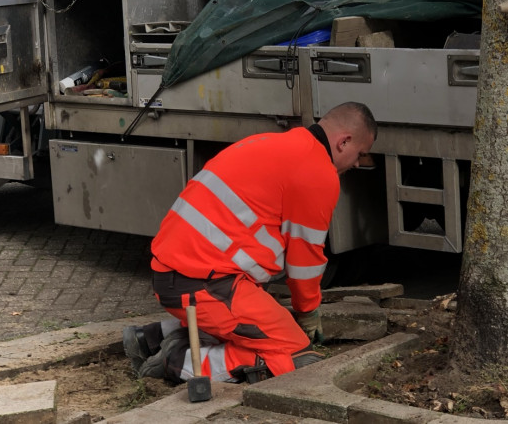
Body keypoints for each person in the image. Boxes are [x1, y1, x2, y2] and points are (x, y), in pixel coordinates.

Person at [123, 102, 377, 383]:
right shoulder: (319, 173)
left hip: (181, 274)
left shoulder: (276, 142)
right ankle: (178, 363)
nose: (357, 163)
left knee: (251, 324)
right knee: (295, 355)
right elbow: (304, 261)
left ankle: (151, 337)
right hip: (203, 282)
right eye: (360, 154)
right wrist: (307, 313)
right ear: (344, 141)